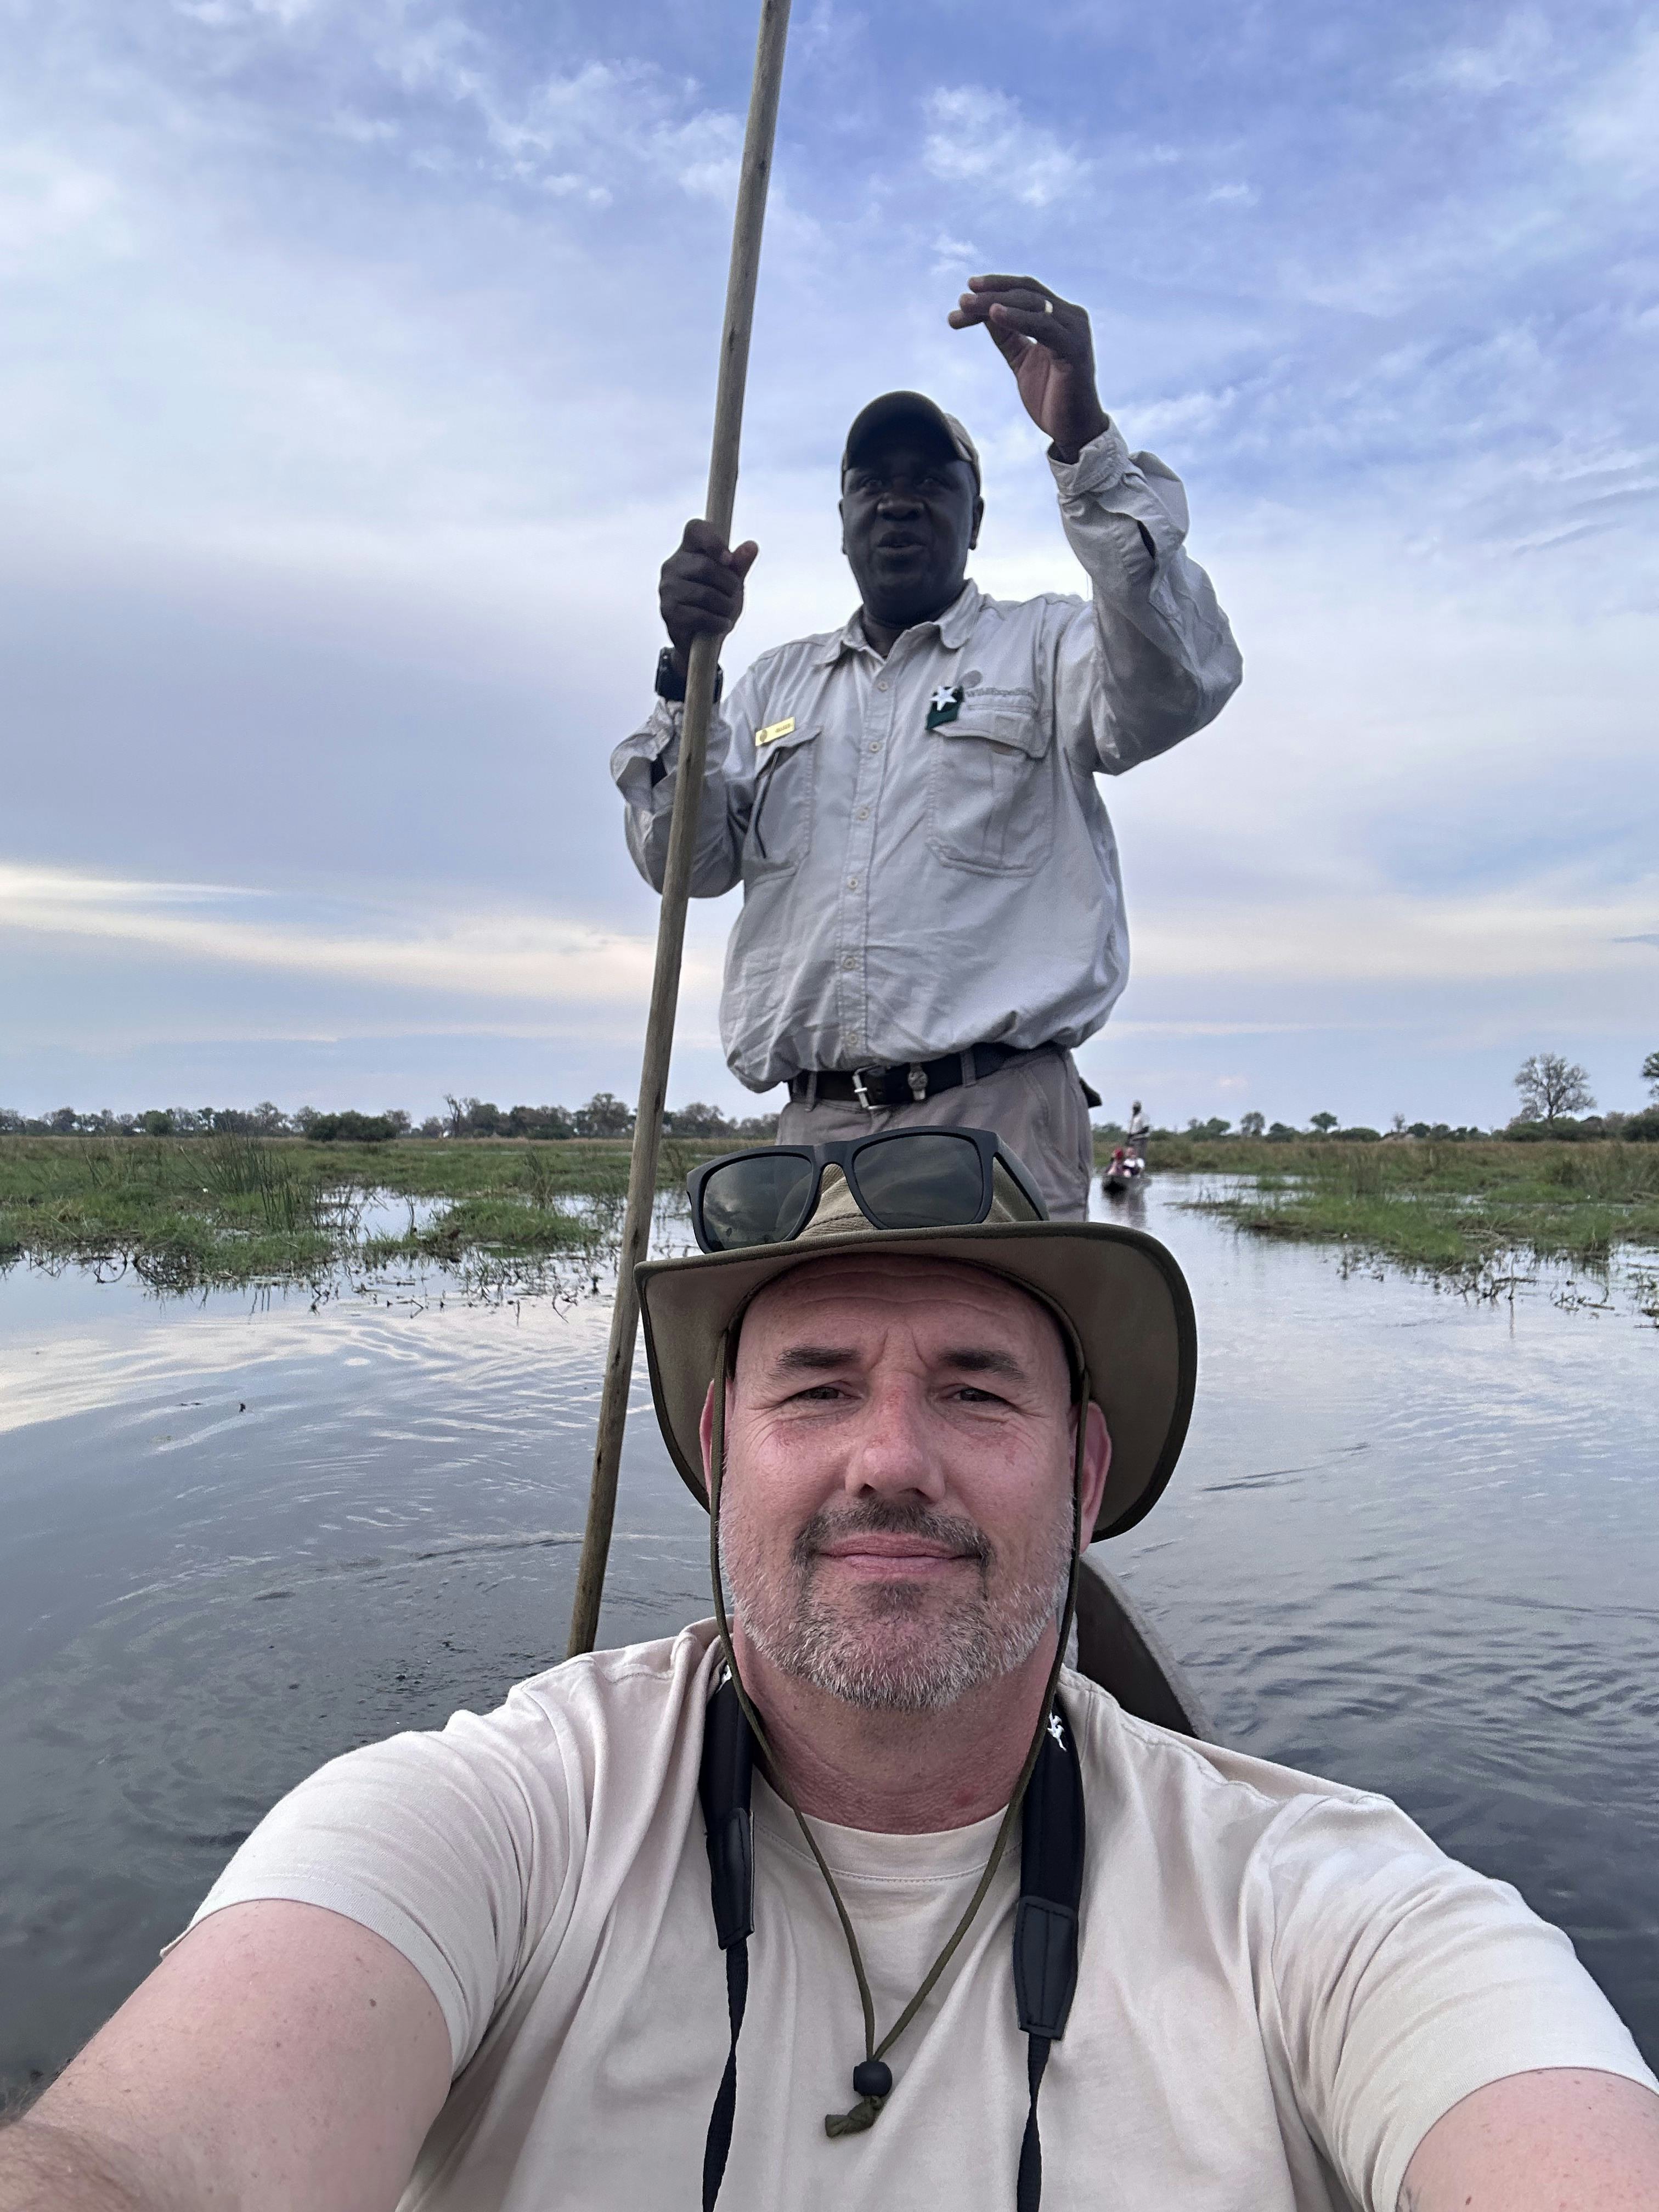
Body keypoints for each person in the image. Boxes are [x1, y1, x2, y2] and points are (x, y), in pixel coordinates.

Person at [5, 1130, 1656, 2212]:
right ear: (722, 1451)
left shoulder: (1328, 1901)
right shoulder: (503, 1814)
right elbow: (153, 2166)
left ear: (1084, 1477)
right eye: (813, 1390)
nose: (890, 1460)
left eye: (975, 1391)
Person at [613, 273, 1243, 1220]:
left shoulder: (1049, 646)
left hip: (997, 1120)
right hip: (812, 1135)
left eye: (929, 485)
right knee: (819, 1370)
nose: (897, 503)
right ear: (841, 524)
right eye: (872, 485)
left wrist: (1084, 446)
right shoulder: (771, 685)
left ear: (976, 520)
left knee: (984, 1371)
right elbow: (682, 863)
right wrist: (686, 671)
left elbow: (1182, 682)